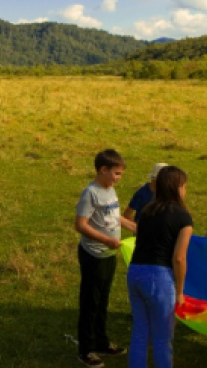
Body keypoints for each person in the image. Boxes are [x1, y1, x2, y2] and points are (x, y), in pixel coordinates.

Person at [74, 149, 137, 368]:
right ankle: (85, 350)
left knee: (103, 301)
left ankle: (101, 342)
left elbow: (112, 215)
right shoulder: (90, 193)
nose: (119, 178)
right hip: (94, 255)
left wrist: (131, 226)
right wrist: (106, 240)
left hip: (109, 255)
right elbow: (80, 224)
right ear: (103, 170)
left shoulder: (110, 190)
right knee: (90, 302)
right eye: (117, 174)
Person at [127, 166, 193, 368]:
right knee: (162, 337)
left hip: (135, 272)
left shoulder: (147, 211)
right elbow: (179, 258)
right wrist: (180, 291)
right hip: (159, 278)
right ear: (178, 188)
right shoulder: (183, 217)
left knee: (140, 332)